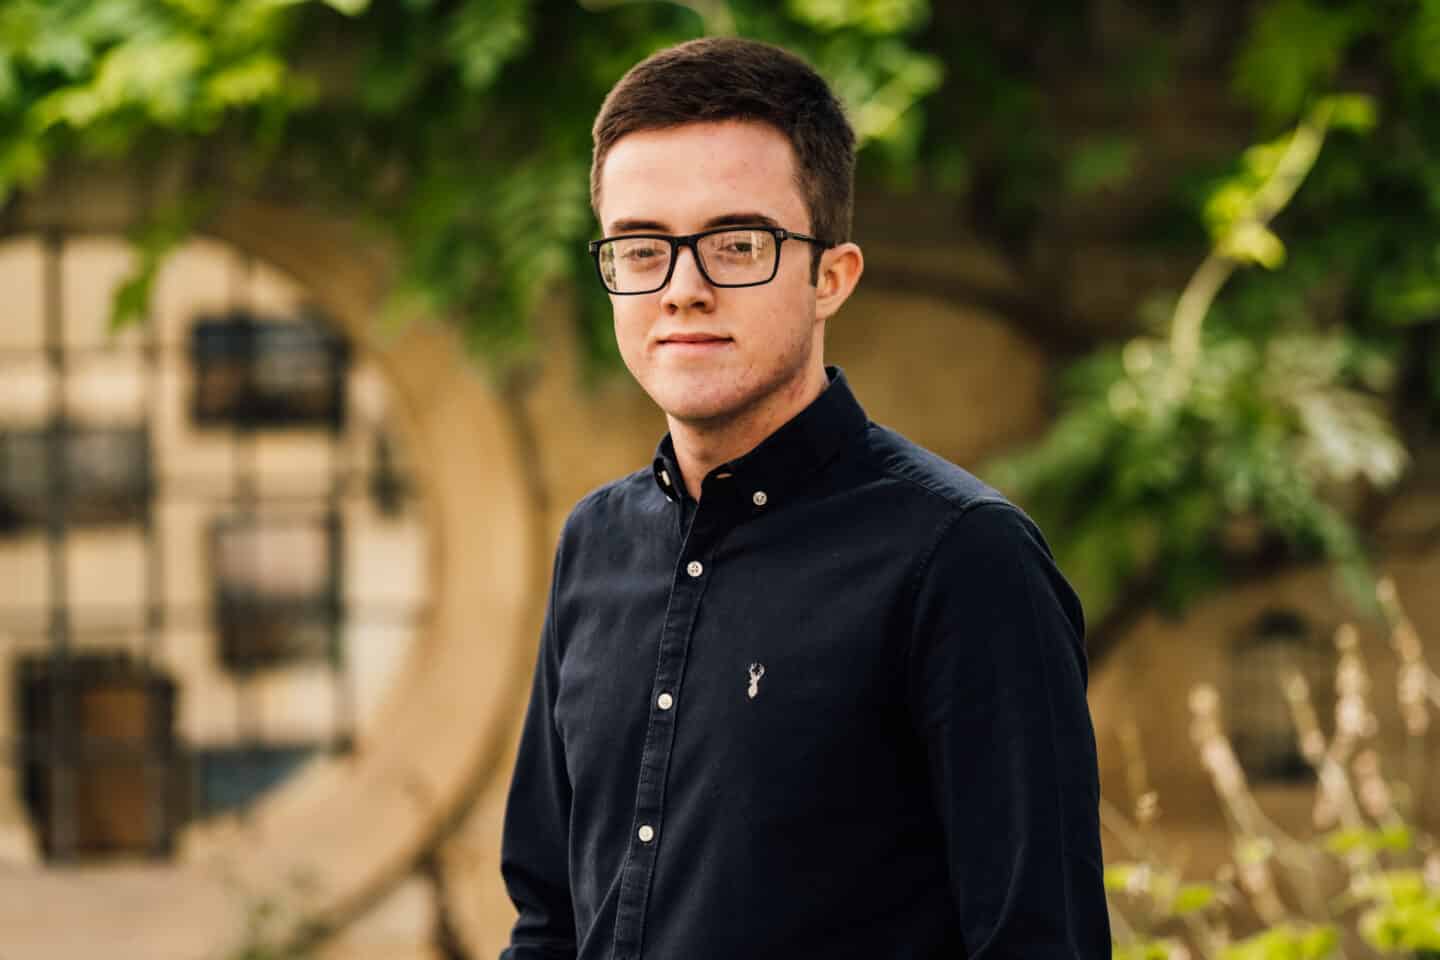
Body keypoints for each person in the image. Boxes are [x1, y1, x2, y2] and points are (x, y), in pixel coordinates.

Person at [499, 36, 1110, 960]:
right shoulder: (595, 542)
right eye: (641, 247)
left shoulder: (963, 559)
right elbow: (548, 920)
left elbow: (1040, 943)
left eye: (737, 244)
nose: (684, 289)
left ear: (832, 275)